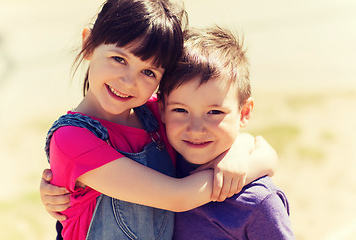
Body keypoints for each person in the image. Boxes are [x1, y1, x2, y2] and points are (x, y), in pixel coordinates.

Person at [40, 0, 278, 239]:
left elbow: (263, 150)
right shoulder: (71, 139)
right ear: (89, 44)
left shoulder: (157, 113)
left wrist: (239, 149)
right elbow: (178, 197)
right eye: (119, 59)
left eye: (148, 72)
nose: (128, 82)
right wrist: (246, 169)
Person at [157, 26, 294, 239]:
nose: (195, 128)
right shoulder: (157, 165)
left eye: (214, 112)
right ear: (162, 109)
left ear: (244, 112)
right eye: (180, 110)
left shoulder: (258, 202)